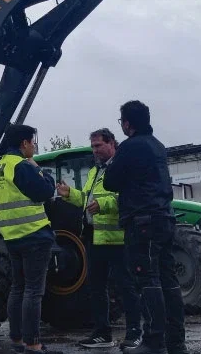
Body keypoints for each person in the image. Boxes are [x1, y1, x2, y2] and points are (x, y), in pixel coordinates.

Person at [102, 101, 186, 354]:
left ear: (127, 124)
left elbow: (110, 182)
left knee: (147, 279)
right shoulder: (157, 146)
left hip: (142, 221)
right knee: (168, 279)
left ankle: (153, 341)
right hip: (164, 218)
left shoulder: (129, 147)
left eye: (122, 122)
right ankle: (175, 342)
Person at [57, 128, 145, 349]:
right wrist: (70, 194)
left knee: (127, 287)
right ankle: (102, 334)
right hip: (94, 238)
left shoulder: (123, 168)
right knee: (96, 287)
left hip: (117, 239)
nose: (95, 150)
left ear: (112, 143)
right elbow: (87, 201)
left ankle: (135, 332)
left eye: (98, 146)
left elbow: (128, 198)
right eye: (92, 147)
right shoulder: (95, 172)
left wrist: (103, 205)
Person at [0, 124, 55, 354]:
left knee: (18, 288)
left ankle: (17, 339)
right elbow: (46, 190)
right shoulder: (21, 166)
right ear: (24, 143)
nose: (34, 146)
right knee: (34, 291)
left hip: (11, 236)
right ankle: (33, 343)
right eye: (32, 142)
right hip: (34, 233)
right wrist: (40, 169)